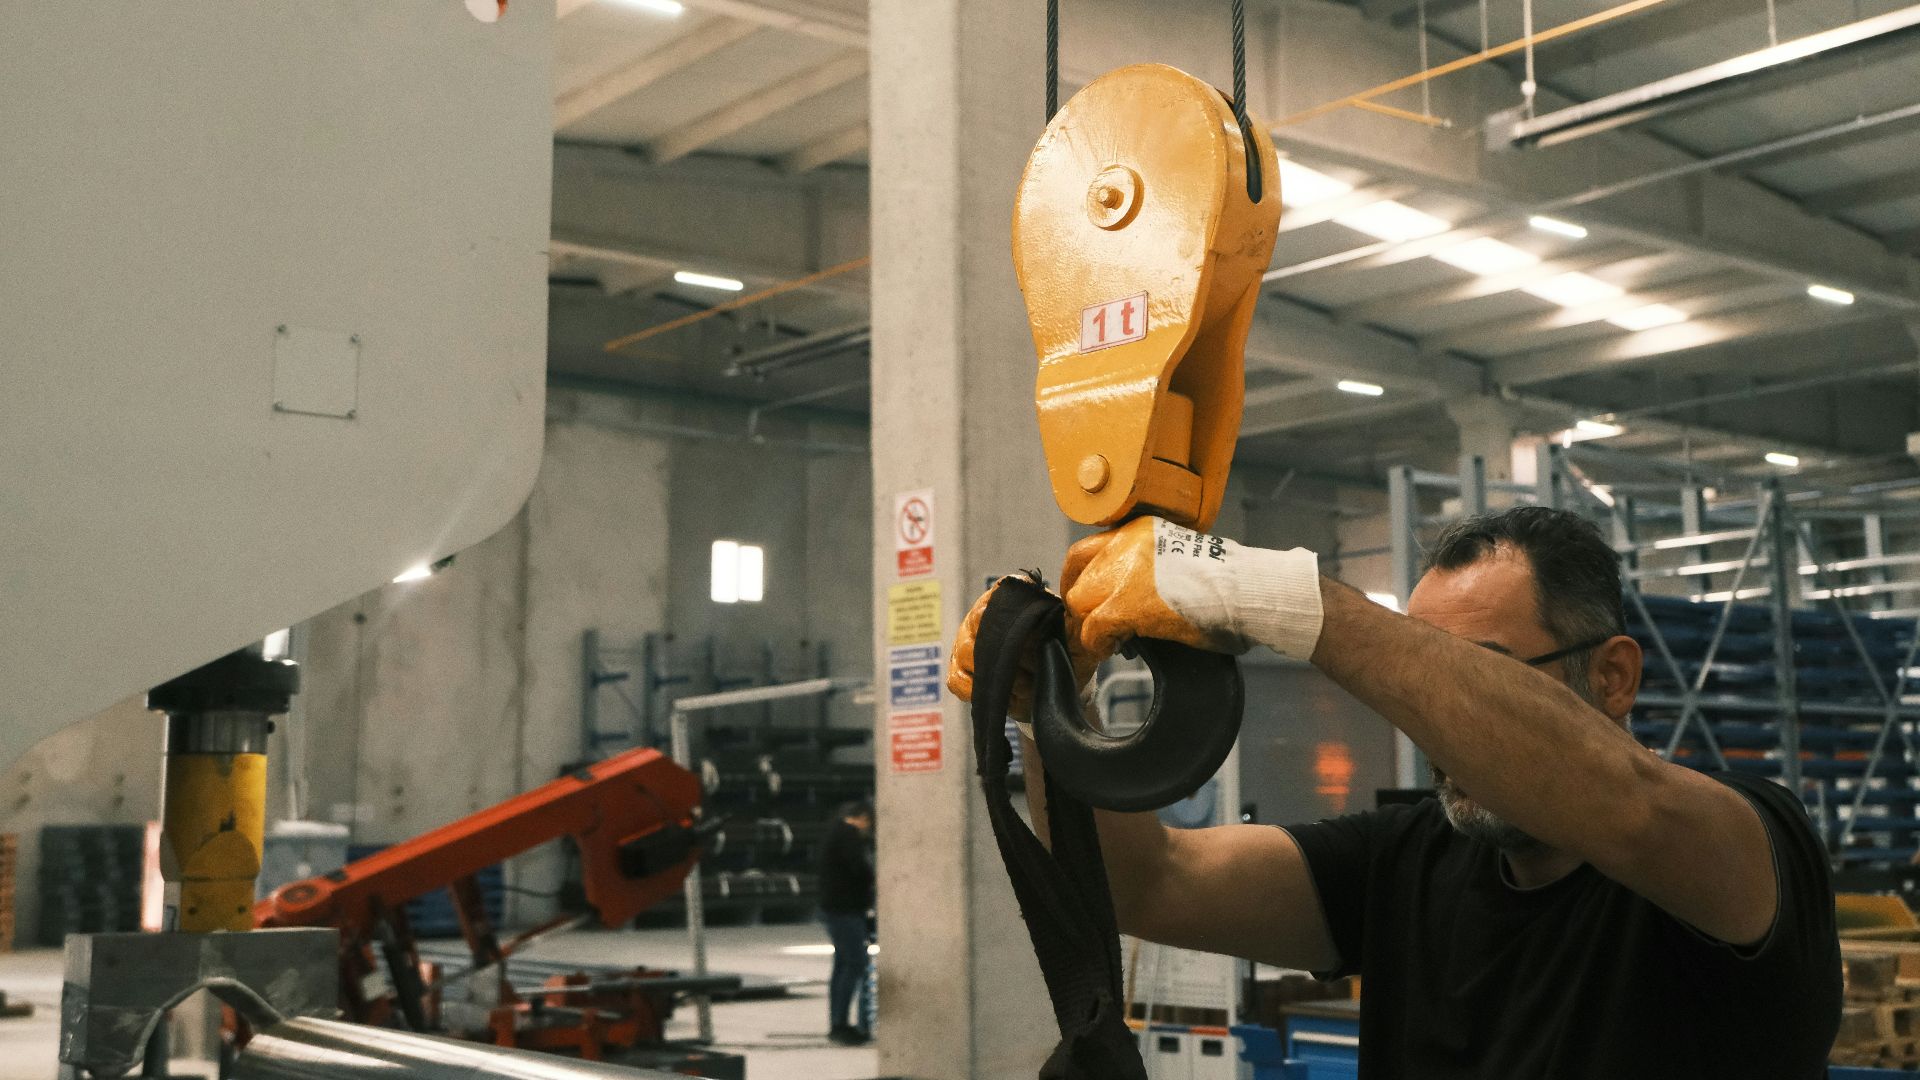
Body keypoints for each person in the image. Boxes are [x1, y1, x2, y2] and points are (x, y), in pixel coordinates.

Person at [949, 506, 1841, 1079]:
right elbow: (1149, 882)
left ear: (1612, 677)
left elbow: (1631, 807)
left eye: (1477, 676)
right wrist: (1048, 706)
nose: (1436, 726)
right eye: (1427, 685)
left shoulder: (1740, 852)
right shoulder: (1408, 860)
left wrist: (1275, 595)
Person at [818, 799, 874, 1046]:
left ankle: (837, 1022)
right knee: (855, 963)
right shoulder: (848, 836)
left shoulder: (834, 833)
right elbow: (860, 869)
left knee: (842, 965)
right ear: (861, 818)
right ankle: (841, 1025)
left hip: (835, 908)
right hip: (846, 910)